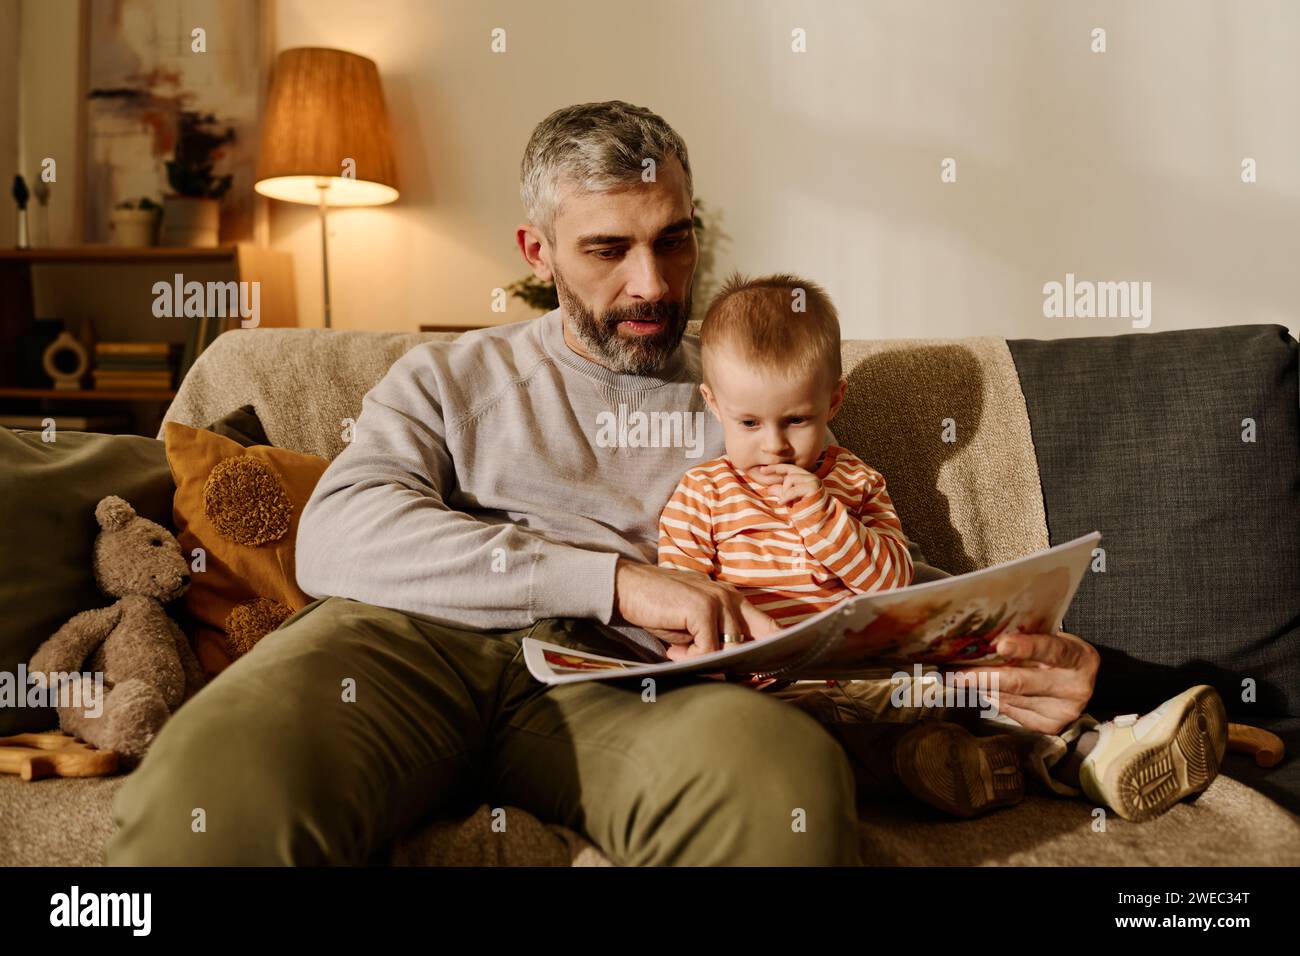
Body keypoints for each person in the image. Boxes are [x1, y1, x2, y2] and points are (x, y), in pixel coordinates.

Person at [105, 101, 1099, 867]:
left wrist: (1001, 656)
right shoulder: (453, 376)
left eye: (672, 239)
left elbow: (857, 566)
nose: (653, 284)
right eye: (607, 249)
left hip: (641, 684)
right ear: (535, 253)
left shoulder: (748, 389)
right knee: (212, 789)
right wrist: (613, 579)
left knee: (779, 783)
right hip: (408, 643)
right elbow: (338, 537)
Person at [657, 272, 1228, 822]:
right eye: (749, 422)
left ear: (833, 403)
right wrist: (710, 687)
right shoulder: (702, 495)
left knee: (984, 691)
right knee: (822, 738)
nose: (775, 445)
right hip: (781, 693)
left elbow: (891, 581)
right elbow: (691, 612)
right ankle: (953, 768)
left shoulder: (856, 483)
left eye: (796, 420)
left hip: (889, 676)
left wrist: (821, 516)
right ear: (713, 403)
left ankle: (1100, 752)